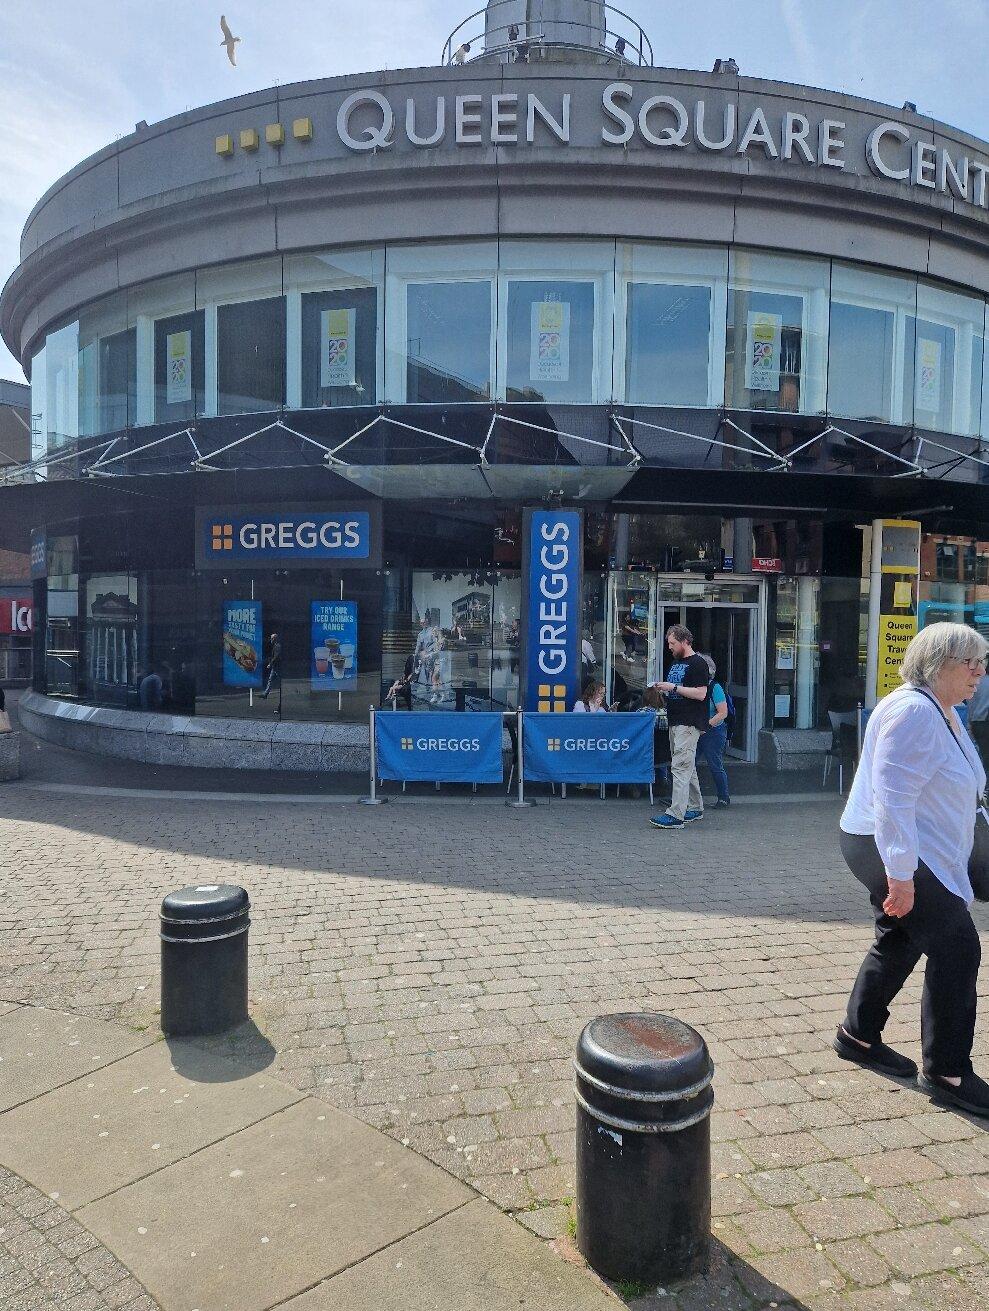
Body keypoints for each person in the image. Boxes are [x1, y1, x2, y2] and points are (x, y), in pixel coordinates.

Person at [837, 621, 989, 1116]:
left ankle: (857, 1036)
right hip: (888, 848)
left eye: (981, 662)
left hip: (906, 847)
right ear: (936, 663)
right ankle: (948, 1071)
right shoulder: (914, 713)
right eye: (969, 662)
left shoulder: (943, 710)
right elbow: (893, 800)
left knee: (901, 938)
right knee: (957, 946)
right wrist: (900, 877)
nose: (978, 672)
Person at [648, 625, 710, 830]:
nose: (669, 647)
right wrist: (665, 691)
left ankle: (676, 814)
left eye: (672, 643)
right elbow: (681, 691)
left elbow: (701, 694)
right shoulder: (677, 662)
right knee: (686, 765)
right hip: (676, 720)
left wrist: (673, 687)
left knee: (680, 767)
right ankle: (695, 806)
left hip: (688, 722)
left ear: (684, 642)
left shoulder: (698, 663)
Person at [696, 654, 731, 808]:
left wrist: (706, 726)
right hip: (696, 729)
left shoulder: (715, 687)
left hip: (713, 731)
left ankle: (723, 797)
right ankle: (683, 798)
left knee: (715, 764)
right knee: (686, 765)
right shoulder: (693, 687)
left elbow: (723, 713)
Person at [968, 669, 989, 770]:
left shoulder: (976, 682)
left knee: (981, 753)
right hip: (986, 722)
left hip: (975, 722)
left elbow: (970, 703)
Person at [260, 632, 282, 699]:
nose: (271, 640)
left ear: (275, 639)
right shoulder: (275, 645)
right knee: (270, 680)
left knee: (280, 680)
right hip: (275, 667)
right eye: (271, 638)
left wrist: (270, 663)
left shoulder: (278, 646)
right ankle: (265, 694)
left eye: (272, 638)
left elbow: (276, 656)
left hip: (277, 666)